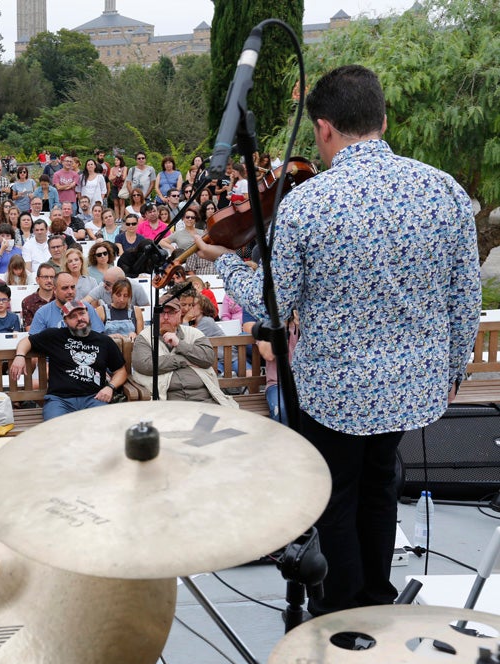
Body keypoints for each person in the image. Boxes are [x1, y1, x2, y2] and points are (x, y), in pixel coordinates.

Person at [197, 65, 480, 616]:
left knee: (337, 497)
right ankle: (378, 595)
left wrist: (227, 264)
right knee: (381, 484)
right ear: (383, 118)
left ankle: (344, 616)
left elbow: (272, 304)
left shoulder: (308, 203)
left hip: (336, 392)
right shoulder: (443, 189)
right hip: (412, 388)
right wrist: (450, 373)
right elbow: (464, 297)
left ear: (324, 129)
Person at [10, 300, 126, 420]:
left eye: (82, 313)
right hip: (60, 400)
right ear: (65, 321)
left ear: (88, 314)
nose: (79, 318)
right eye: (73, 316)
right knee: (56, 429)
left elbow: (121, 371)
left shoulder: (104, 341)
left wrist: (110, 387)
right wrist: (20, 356)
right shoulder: (55, 336)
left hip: (94, 398)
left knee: (102, 426)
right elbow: (27, 341)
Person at [132, 294, 237, 407]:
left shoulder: (194, 334)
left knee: (219, 423)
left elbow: (208, 358)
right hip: (168, 402)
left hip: (204, 399)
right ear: (155, 315)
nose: (166, 317)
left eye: (171, 312)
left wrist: (179, 344)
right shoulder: (145, 337)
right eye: (162, 312)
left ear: (179, 314)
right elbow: (145, 365)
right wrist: (184, 360)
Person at [29, 272, 105, 335]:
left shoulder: (86, 307)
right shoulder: (43, 313)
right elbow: (33, 341)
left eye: (72, 287)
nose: (70, 292)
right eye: (65, 288)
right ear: (55, 290)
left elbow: (99, 335)